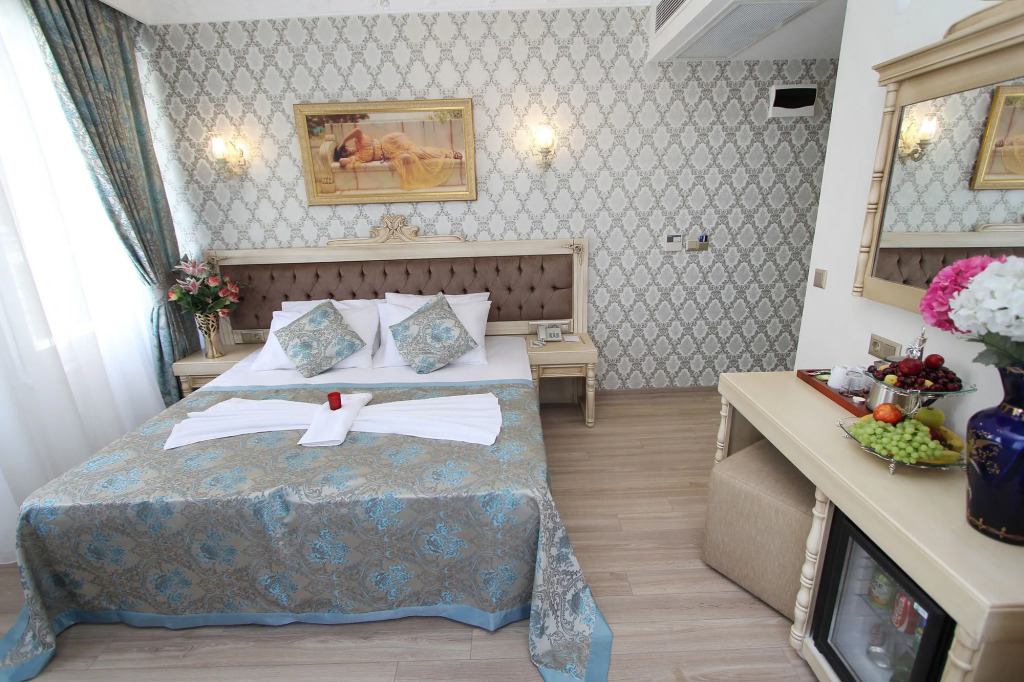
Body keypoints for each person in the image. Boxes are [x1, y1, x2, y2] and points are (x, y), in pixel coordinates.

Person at [332, 127, 464, 191]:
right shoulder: (357, 158)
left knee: (416, 151)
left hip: (390, 142)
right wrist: (341, 156)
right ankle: (446, 154)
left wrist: (342, 142)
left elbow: (357, 130)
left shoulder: (359, 142)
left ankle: (449, 153)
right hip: (391, 155)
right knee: (411, 155)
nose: (347, 153)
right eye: (344, 153)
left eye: (345, 150)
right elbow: (343, 162)